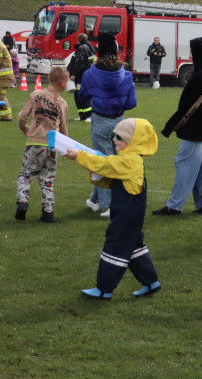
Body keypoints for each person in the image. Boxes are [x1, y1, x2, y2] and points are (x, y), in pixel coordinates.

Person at [61, 118, 161, 300]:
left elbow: (106, 165)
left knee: (115, 245)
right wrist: (94, 172)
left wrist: (80, 156)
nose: (114, 139)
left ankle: (104, 289)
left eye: (119, 137)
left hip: (127, 215)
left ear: (134, 141)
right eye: (113, 135)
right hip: (129, 213)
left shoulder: (129, 160)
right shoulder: (128, 159)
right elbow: (111, 179)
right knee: (133, 246)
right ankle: (151, 281)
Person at [154, 37, 202, 216]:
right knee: (201, 166)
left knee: (184, 162)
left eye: (193, 51)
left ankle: (174, 206)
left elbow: (188, 107)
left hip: (196, 129)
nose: (190, 54)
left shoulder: (199, 76)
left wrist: (169, 127)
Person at [79, 33, 137, 218]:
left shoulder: (90, 74)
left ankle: (109, 203)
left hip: (100, 120)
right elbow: (131, 103)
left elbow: (82, 97)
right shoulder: (126, 75)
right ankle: (95, 200)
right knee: (112, 160)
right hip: (119, 121)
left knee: (103, 162)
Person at [15, 66, 69, 222]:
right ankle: (48, 211)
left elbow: (21, 116)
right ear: (64, 85)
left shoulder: (35, 95)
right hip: (52, 145)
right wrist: (65, 148)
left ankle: (23, 201)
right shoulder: (62, 103)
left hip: (34, 143)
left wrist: (24, 128)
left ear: (48, 78)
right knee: (47, 178)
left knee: (26, 174)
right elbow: (64, 128)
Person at [67, 33, 96, 121]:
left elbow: (79, 63)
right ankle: (83, 115)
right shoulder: (89, 48)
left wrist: (73, 74)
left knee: (81, 96)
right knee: (79, 96)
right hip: (86, 75)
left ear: (79, 40)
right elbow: (91, 62)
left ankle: (88, 116)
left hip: (81, 76)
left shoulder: (82, 48)